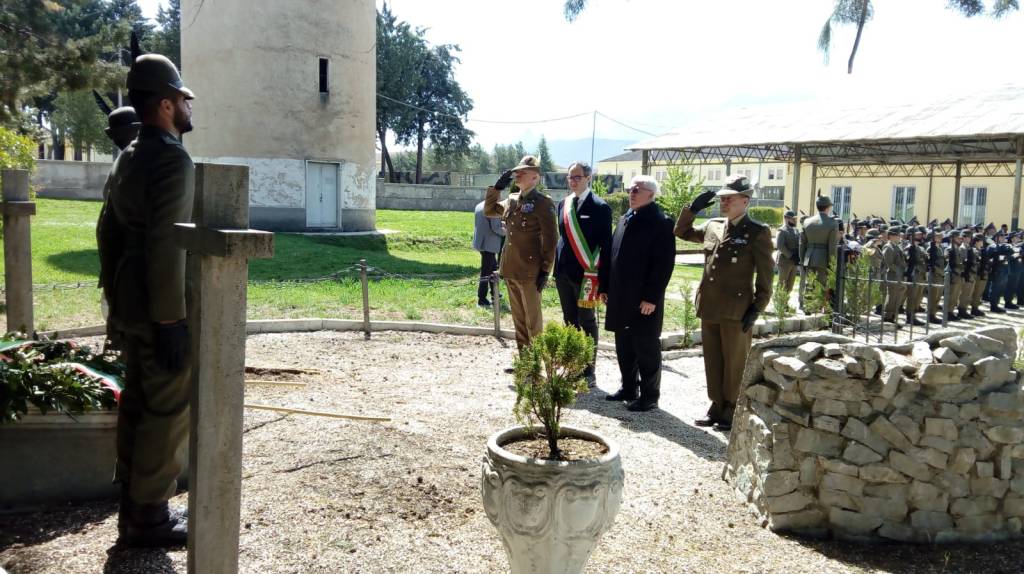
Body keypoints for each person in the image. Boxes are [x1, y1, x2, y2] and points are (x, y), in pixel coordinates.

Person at [97, 53, 195, 547]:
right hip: (159, 306)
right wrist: (172, 320)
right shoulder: (171, 158)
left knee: (136, 403)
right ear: (163, 104)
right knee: (166, 409)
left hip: (130, 298)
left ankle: (132, 508)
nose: (187, 106)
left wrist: (116, 297)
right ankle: (150, 517)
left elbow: (107, 231)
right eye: (182, 99)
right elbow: (166, 244)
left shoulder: (129, 154)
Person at [674, 174, 773, 431]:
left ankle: (731, 408)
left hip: (736, 309)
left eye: (729, 198)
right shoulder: (713, 225)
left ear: (746, 201)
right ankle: (716, 405)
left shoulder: (757, 232)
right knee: (713, 360)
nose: (724, 202)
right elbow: (682, 232)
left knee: (734, 362)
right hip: (710, 305)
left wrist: (757, 308)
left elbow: (765, 276)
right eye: (722, 198)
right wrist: (692, 210)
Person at [603, 176, 676, 412]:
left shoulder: (661, 222)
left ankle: (650, 396)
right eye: (630, 189)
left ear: (651, 194)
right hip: (620, 295)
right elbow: (611, 255)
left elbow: (663, 264)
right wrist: (605, 287)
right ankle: (628, 387)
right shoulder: (625, 218)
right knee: (623, 345)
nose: (631, 193)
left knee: (645, 347)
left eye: (637, 190)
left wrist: (652, 297)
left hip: (643, 299)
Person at [484, 155, 558, 349]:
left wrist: (545, 270)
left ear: (535, 177)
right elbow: (489, 210)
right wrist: (497, 188)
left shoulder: (543, 203)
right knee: (519, 320)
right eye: (516, 172)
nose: (517, 175)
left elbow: (551, 240)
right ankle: (525, 364)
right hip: (510, 268)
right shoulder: (512, 200)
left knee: (532, 321)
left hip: (530, 271)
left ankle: (536, 365)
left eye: (522, 173)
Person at [554, 162, 612, 387]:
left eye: (577, 177)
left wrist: (604, 282)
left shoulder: (600, 207)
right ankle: (572, 365)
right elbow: (563, 240)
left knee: (586, 322)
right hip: (564, 273)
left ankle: (588, 370)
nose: (573, 181)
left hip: (588, 276)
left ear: (588, 177)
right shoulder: (563, 204)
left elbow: (605, 246)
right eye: (570, 177)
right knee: (569, 321)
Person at [799, 195, 839, 309]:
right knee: (822, 284)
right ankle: (817, 308)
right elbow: (832, 247)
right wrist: (833, 264)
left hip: (809, 257)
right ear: (828, 208)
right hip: (823, 258)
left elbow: (802, 243)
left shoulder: (807, 222)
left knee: (809, 283)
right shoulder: (832, 223)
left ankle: (808, 307)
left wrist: (802, 260)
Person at [472, 199, 505, 308]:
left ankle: (494, 293)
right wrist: (509, 231)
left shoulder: (480, 205)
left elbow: (488, 222)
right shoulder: (493, 208)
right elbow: (496, 228)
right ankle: (481, 299)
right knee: (486, 272)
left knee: (492, 268)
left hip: (481, 242)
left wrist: (502, 223)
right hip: (489, 244)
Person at [881, 228, 907, 324]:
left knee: (898, 297)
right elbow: (889, 264)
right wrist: (899, 270)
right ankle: (888, 316)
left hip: (899, 276)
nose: (899, 237)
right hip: (892, 275)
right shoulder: (888, 247)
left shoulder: (896, 247)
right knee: (892, 297)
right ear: (891, 236)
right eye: (897, 235)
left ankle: (893, 316)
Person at [775, 210, 800, 307]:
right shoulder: (782, 230)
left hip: (793, 262)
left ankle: (785, 302)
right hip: (785, 261)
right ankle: (779, 303)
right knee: (782, 283)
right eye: (792, 219)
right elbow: (780, 246)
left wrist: (798, 255)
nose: (794, 220)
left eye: (794, 219)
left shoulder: (795, 230)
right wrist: (790, 255)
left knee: (790, 284)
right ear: (786, 218)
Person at [925, 230, 946, 324]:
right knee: (933, 296)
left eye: (941, 237)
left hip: (940, 275)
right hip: (934, 274)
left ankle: (934, 313)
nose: (940, 238)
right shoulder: (931, 248)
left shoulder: (940, 248)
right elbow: (931, 264)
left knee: (938, 296)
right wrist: (941, 272)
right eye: (938, 237)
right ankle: (931, 315)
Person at [988, 230, 1011, 313]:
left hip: (1004, 270)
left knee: (1000, 289)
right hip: (996, 271)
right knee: (995, 289)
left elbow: (1009, 255)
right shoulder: (992, 247)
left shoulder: (1006, 246)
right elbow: (988, 258)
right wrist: (997, 258)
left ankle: (996, 304)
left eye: (1003, 236)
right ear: (997, 238)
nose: (1003, 238)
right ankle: (993, 306)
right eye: (1001, 236)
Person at [945, 231, 965, 321]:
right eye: (958, 238)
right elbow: (949, 263)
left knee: (956, 295)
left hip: (958, 274)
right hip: (952, 274)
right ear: (952, 238)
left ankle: (951, 311)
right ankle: (948, 312)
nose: (960, 239)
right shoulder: (949, 249)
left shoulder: (957, 249)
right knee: (951, 294)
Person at [1004, 232, 1022, 310]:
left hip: (1017, 269)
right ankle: (1007, 302)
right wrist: (1014, 256)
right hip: (1011, 270)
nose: (1018, 238)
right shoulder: (1009, 246)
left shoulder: (1017, 246)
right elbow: (1006, 257)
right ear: (1012, 238)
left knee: (1013, 287)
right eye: (1016, 237)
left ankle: (1010, 302)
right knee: (1009, 287)